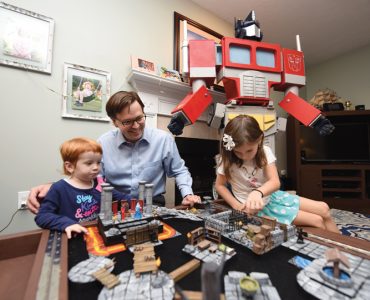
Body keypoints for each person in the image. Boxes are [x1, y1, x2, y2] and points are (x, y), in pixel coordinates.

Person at [27, 91, 200, 214]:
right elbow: (89, 177)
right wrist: (54, 186)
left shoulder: (164, 139)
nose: (136, 126)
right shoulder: (103, 142)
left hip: (153, 204)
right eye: (127, 122)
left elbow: (179, 170)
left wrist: (188, 194)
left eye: (140, 118)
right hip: (114, 205)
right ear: (114, 122)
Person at [215, 115, 339, 233]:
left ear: (259, 139)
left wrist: (257, 192)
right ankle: (332, 250)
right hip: (256, 208)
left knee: (324, 208)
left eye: (249, 150)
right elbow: (219, 185)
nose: (245, 156)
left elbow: (275, 182)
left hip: (272, 197)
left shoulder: (265, 151)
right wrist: (235, 204)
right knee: (317, 220)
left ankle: (344, 248)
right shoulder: (226, 159)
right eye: (238, 152)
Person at [35, 137, 129, 238]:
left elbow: (122, 198)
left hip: (97, 233)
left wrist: (142, 201)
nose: (96, 167)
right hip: (75, 236)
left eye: (98, 162)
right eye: (89, 163)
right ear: (70, 167)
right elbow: (42, 216)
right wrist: (67, 224)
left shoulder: (100, 183)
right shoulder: (59, 188)